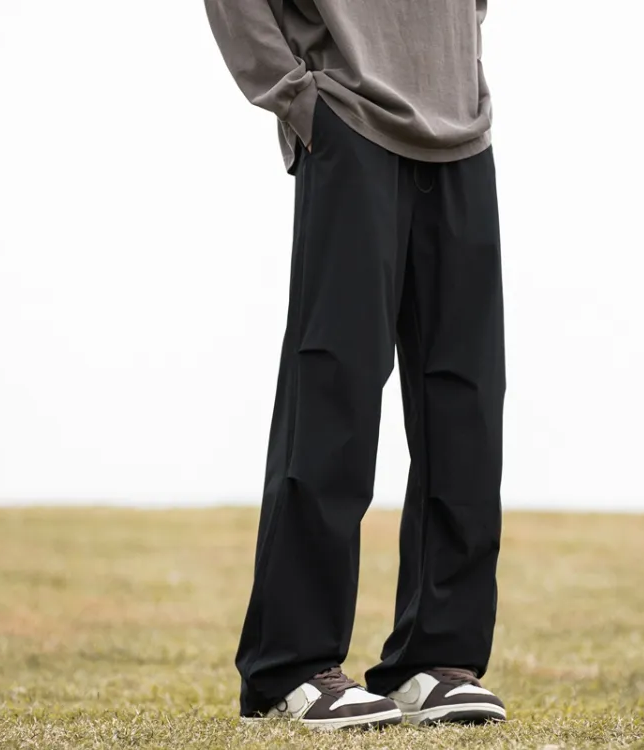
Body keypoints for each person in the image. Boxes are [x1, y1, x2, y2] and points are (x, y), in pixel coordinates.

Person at [204, 0, 506, 731]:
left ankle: (435, 660)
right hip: (348, 115)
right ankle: (291, 666)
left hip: (462, 129)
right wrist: (294, 97)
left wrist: (463, 73)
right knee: (334, 387)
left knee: (466, 403)